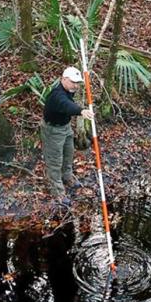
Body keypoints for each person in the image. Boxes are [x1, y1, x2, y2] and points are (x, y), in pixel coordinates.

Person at [42, 66, 94, 201]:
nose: (75, 85)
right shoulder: (57, 95)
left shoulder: (68, 90)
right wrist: (81, 111)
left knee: (68, 153)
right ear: (63, 79)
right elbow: (66, 105)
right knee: (55, 160)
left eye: (77, 83)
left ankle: (67, 177)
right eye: (73, 82)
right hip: (53, 130)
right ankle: (58, 191)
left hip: (66, 127)